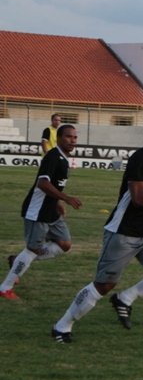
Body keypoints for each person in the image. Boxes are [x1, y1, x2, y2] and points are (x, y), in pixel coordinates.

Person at [51, 118, 143, 342]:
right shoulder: (140, 159)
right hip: (123, 232)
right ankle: (62, 326)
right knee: (104, 285)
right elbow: (139, 199)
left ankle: (125, 298)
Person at [1, 124, 83, 300]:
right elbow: (43, 183)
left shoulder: (63, 159)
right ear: (59, 138)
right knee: (33, 249)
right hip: (37, 211)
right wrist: (66, 198)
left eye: (75, 137)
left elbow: (55, 184)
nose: (73, 140)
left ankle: (17, 260)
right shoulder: (52, 156)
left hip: (52, 211)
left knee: (65, 244)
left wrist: (58, 202)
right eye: (68, 137)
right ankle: (5, 287)